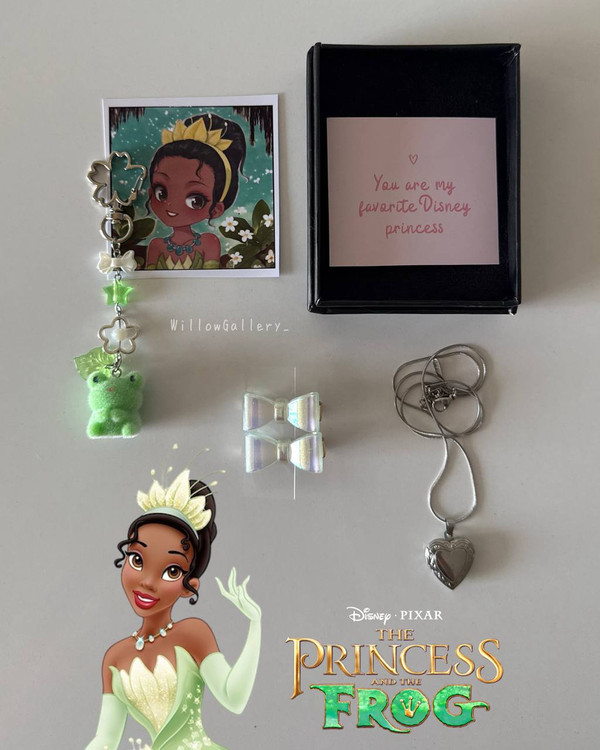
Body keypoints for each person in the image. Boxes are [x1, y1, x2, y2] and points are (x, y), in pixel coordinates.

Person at [86, 469, 261, 749]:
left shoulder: (192, 633)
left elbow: (234, 699)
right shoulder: (114, 658)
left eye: (171, 571)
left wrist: (255, 625)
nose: (147, 582)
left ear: (188, 586)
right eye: (137, 559)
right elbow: (105, 738)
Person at [144, 113, 246, 270]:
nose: (172, 204)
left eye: (195, 200)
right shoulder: (156, 246)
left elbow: (211, 279)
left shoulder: (208, 242)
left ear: (216, 209)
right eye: (161, 192)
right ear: (151, 192)